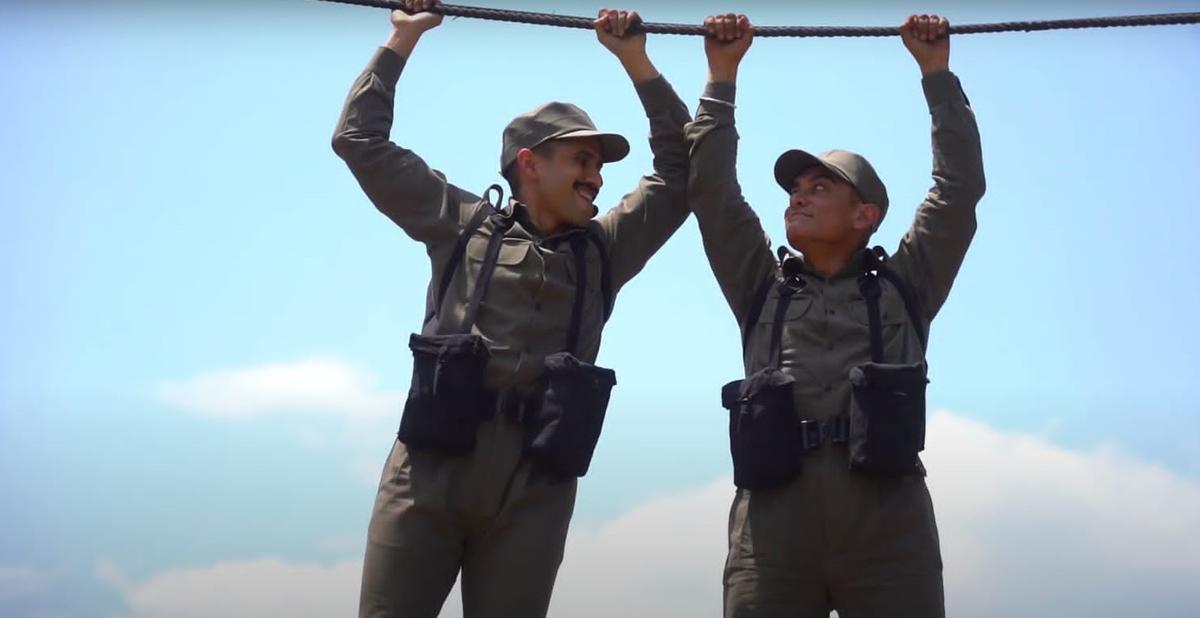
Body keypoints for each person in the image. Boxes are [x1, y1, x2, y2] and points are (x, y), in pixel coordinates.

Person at [331, 1, 691, 616]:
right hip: (432, 470)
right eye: (582, 160)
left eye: (599, 166)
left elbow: (682, 172)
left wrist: (637, 63)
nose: (597, 178)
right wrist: (402, 40)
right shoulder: (462, 224)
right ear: (530, 163)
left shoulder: (604, 251)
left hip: (536, 483)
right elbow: (359, 140)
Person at [687, 12, 986, 617]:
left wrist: (936, 74)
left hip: (887, 532)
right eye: (796, 187)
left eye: (821, 186)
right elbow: (713, 194)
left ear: (865, 215)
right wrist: (721, 78)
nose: (799, 195)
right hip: (771, 531)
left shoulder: (908, 283)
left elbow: (957, 189)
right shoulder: (759, 285)